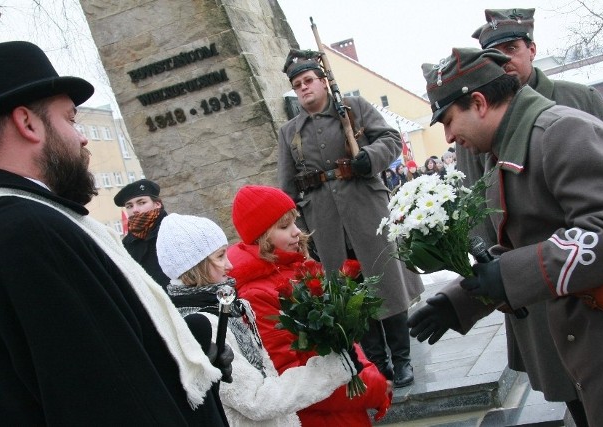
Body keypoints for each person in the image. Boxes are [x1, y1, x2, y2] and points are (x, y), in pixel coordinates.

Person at [0, 40, 228, 425]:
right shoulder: (29, 232)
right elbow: (105, 397)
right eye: (71, 119)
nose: (83, 137)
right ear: (28, 123)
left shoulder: (37, 221)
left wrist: (183, 344)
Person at [412, 46, 603, 426]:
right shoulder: (509, 148)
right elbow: (525, 244)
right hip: (582, 339)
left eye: (449, 120)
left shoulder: (562, 133)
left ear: (480, 102)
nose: (449, 136)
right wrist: (462, 300)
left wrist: (509, 275)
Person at [277, 49, 424, 388]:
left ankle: (402, 360)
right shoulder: (290, 132)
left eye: (309, 80)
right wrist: (292, 225)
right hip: (324, 218)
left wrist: (369, 158)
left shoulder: (353, 108)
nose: (303, 88)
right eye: (297, 84)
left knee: (386, 281)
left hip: (366, 207)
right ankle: (377, 362)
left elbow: (391, 139)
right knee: (350, 291)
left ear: (323, 81)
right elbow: (286, 183)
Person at [156, 213, 363, 427]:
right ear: (195, 266)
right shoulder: (203, 324)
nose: (229, 265)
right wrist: (333, 369)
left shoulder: (224, 305)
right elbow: (255, 400)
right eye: (219, 256)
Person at [228, 185, 393, 426]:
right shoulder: (256, 294)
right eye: (284, 227)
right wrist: (373, 388)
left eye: (295, 223)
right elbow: (292, 374)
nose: (297, 232)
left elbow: (344, 342)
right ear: (260, 237)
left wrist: (368, 376)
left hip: (344, 404)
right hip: (321, 415)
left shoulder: (296, 268)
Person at [114, 178, 170, 289]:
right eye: (129, 206)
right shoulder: (126, 244)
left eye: (142, 203)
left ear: (157, 204)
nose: (135, 210)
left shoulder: (173, 229)